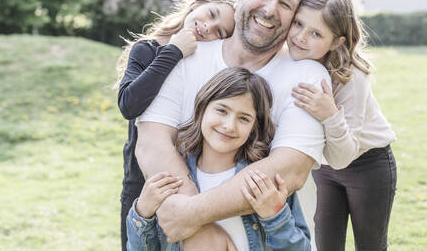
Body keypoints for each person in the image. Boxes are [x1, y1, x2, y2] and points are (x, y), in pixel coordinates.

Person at [135, 0, 336, 250]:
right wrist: (199, 235)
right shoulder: (187, 57)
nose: (270, 9)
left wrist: (194, 214)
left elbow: (288, 169)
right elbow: (152, 143)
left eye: (285, 4)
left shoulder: (306, 76)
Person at [127, 67, 311, 251]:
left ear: (255, 127)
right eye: (222, 110)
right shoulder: (173, 176)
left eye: (244, 119)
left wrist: (274, 217)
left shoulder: (264, 183)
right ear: (203, 107)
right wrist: (142, 213)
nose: (229, 126)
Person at [115, 0, 236, 250]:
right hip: (140, 178)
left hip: (189, 180)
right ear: (197, 4)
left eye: (220, 31)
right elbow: (129, 104)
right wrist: (174, 51)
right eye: (211, 14)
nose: (208, 27)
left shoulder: (209, 65)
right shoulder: (148, 49)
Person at [288, 0, 397, 251]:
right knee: (325, 243)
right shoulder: (292, 60)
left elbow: (344, 155)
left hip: (368, 165)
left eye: (316, 33)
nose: (301, 37)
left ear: (338, 41)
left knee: (370, 244)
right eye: (298, 24)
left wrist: (329, 114)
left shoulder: (351, 77)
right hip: (326, 169)